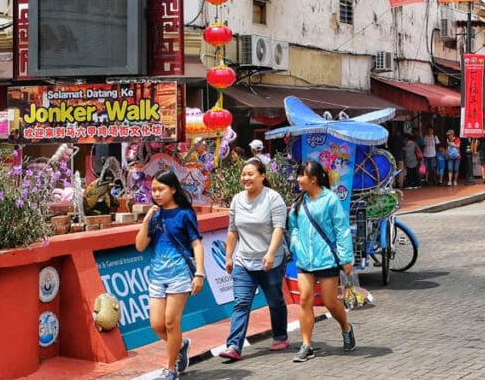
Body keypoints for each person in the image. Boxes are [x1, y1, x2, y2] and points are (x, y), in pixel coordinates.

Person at [135, 170, 205, 380]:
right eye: (153, 189)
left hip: (179, 275)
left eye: (160, 189)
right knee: (156, 324)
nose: (156, 193)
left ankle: (171, 369)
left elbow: (196, 243)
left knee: (171, 323)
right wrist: (146, 220)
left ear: (173, 189)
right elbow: (140, 246)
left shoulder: (184, 213)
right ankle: (181, 345)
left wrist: (199, 273)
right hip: (157, 276)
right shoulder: (155, 215)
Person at [218, 158, 290, 361]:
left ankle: (280, 336)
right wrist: (229, 256)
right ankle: (234, 346)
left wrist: (270, 253)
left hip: (271, 261)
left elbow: (278, 228)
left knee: (275, 301)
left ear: (262, 176)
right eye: (243, 174)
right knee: (241, 303)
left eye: (250, 174)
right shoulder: (237, 199)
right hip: (243, 261)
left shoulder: (273, 198)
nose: (246, 178)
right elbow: (232, 230)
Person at [288, 160, 356, 362]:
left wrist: (345, 258)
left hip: (327, 259)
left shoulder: (330, 200)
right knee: (304, 300)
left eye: (302, 175)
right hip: (305, 261)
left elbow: (342, 230)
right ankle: (306, 344)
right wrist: (295, 244)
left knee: (329, 302)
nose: (298, 179)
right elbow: (294, 227)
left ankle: (346, 327)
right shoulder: (299, 202)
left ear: (313, 179)